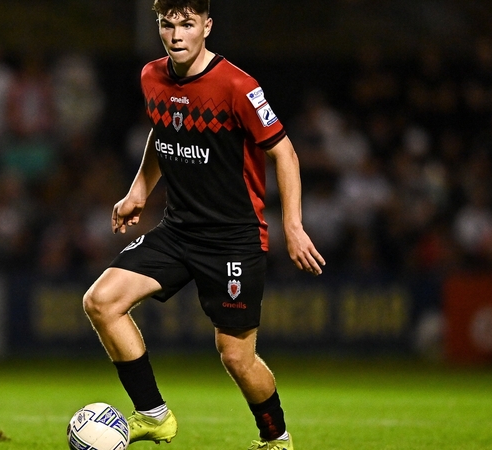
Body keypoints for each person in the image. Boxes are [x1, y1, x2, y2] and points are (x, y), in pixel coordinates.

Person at [82, 1, 325, 449]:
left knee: (236, 357)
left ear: (207, 26)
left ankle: (276, 439)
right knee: (101, 302)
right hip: (178, 230)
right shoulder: (151, 76)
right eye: (167, 24)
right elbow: (164, 128)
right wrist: (139, 190)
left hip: (233, 239)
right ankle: (153, 415)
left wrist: (293, 226)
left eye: (187, 24)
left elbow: (285, 153)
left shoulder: (238, 86)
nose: (176, 35)